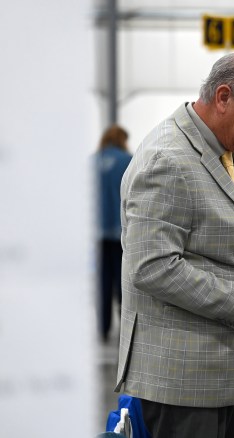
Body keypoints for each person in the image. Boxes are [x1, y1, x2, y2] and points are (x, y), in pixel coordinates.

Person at [115, 49, 234, 438]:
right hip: (186, 386)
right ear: (223, 97)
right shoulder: (167, 160)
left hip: (229, 378)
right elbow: (151, 267)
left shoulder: (220, 149)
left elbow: (214, 246)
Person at [94, 124, 132, 343]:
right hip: (121, 232)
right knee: (123, 282)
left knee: (102, 282)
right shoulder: (128, 160)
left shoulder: (91, 162)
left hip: (97, 232)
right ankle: (124, 331)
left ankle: (102, 330)